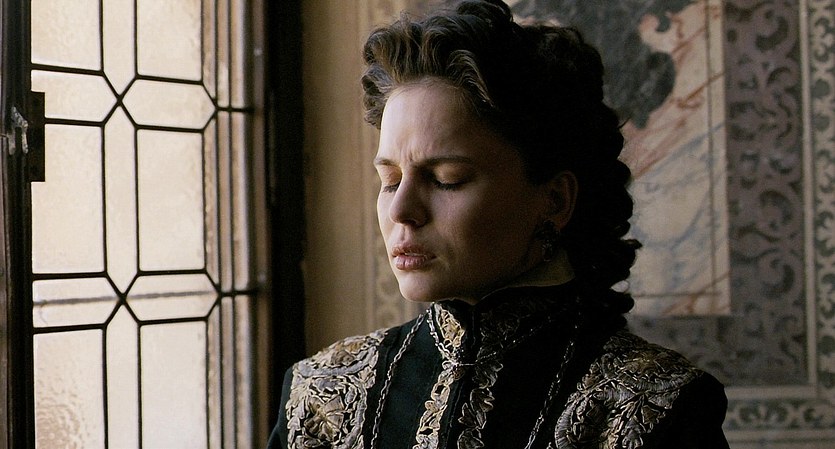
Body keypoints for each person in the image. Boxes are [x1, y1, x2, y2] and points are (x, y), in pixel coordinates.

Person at [267, 0, 730, 447]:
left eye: (447, 179)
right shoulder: (320, 395)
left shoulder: (654, 408)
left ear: (554, 199)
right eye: (389, 180)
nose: (401, 210)